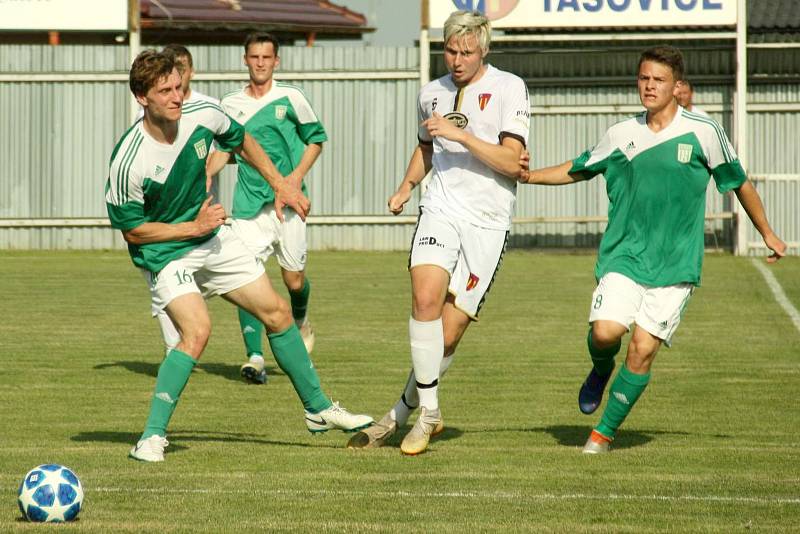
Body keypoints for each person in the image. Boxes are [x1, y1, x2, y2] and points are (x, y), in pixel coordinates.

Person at [105, 50, 372, 462]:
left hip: (211, 236)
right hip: (164, 252)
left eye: (179, 86)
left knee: (279, 313)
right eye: (165, 91)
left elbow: (242, 139)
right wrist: (189, 228)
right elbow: (133, 229)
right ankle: (152, 438)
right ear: (142, 98)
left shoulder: (204, 111)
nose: (177, 96)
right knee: (196, 333)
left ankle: (318, 409)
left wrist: (282, 184)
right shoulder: (129, 159)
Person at [518, 45, 786, 454]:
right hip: (624, 256)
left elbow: (739, 181)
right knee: (606, 333)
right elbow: (579, 167)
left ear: (677, 87)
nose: (648, 86)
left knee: (643, 348)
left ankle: (601, 435)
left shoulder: (704, 131)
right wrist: (530, 176)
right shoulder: (622, 134)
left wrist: (766, 231)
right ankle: (600, 368)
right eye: (643, 78)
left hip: (676, 265)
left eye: (658, 80)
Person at [347, 10, 529, 455]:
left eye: (467, 51)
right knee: (424, 297)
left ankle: (401, 413)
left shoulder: (509, 88)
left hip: (487, 222)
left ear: (484, 49)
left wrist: (461, 135)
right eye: (451, 50)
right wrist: (406, 186)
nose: (457, 59)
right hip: (440, 209)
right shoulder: (431, 94)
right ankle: (430, 411)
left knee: (446, 337)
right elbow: (426, 148)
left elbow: (512, 163)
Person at [205, 32, 325, 386]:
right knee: (244, 275)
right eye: (254, 57)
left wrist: (293, 181)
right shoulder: (230, 104)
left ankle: (301, 320)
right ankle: (255, 357)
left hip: (287, 205)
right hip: (247, 207)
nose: (260, 63)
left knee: (294, 280)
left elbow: (316, 140)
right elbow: (225, 151)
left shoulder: (291, 98)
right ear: (245, 60)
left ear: (277, 61)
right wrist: (202, 174)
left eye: (266, 57)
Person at [139, 44, 223, 354]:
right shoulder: (151, 109)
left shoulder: (208, 106)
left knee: (252, 283)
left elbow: (229, 141)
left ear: (190, 71)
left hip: (201, 214)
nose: (178, 78)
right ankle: (173, 348)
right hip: (162, 220)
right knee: (165, 287)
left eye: (182, 69)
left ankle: (254, 352)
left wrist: (207, 169)